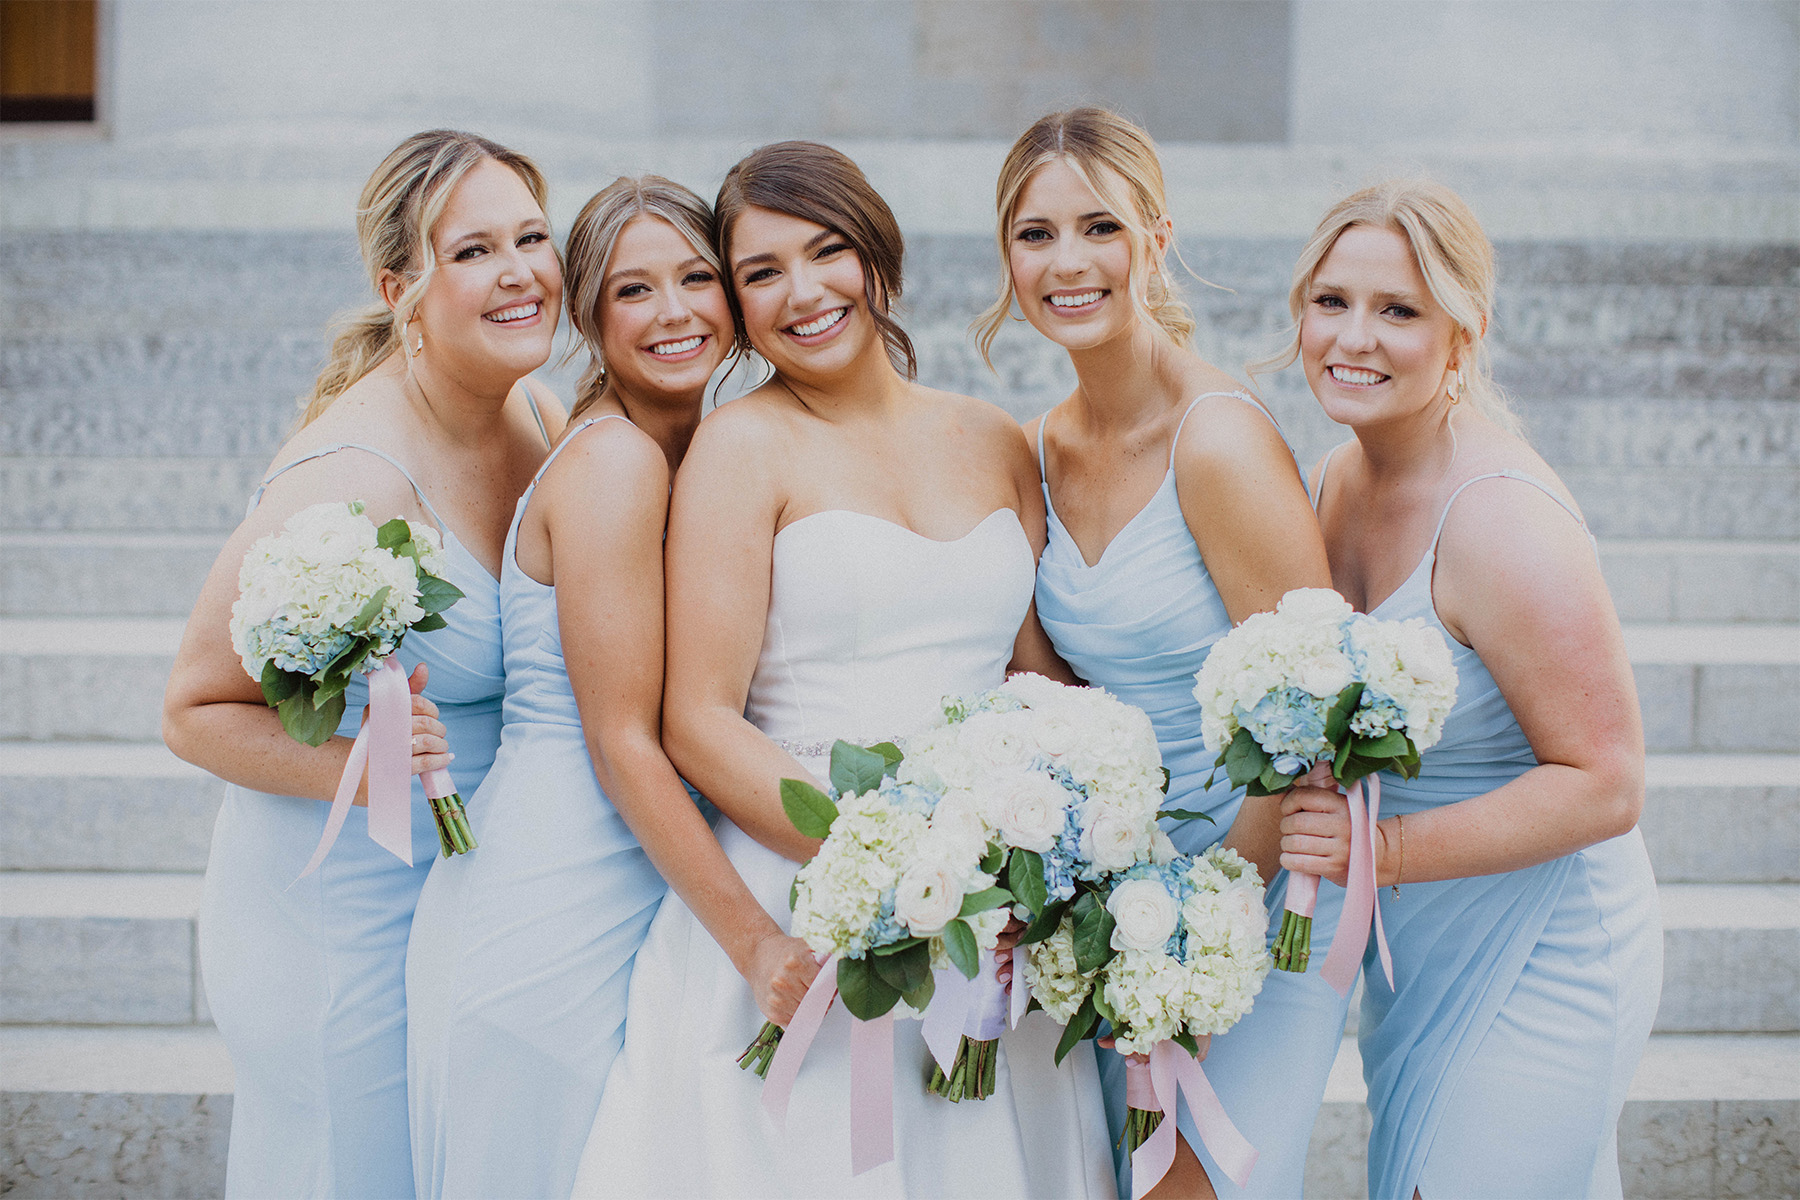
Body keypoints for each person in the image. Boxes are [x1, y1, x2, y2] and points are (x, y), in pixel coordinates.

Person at [573, 141, 1116, 1198]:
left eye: (827, 252)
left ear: (878, 259)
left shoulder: (996, 438)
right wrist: (890, 860)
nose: (803, 291)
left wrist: (1036, 849)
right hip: (816, 884)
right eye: (761, 272)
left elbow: (1035, 679)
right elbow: (697, 720)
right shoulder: (741, 448)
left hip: (994, 907)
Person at [161, 129, 563, 1198]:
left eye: (532, 236)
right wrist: (364, 764)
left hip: (466, 884)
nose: (521, 271)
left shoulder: (530, 406)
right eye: (474, 251)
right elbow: (194, 708)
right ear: (402, 287)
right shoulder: (348, 475)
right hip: (342, 911)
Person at [404, 174, 818, 1198]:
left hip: (638, 884)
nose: (674, 311)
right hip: (557, 896)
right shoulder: (618, 463)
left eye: (696, 278)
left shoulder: (700, 450)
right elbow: (624, 742)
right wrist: (755, 940)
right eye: (635, 291)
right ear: (587, 315)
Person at [1274, 179, 1662, 1199]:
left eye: (1398, 310)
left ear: (1462, 333)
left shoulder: (1501, 519)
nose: (1354, 335)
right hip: (1418, 939)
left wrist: (1379, 851)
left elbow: (1608, 782)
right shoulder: (1328, 482)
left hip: (1545, 939)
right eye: (1332, 301)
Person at [981, 108, 1340, 1199]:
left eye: (1100, 226)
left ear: (1157, 237)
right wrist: (1091, 908)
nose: (1068, 262)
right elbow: (1045, 693)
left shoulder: (1219, 441)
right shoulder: (1037, 447)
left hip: (1257, 896)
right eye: (1036, 235)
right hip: (1111, 903)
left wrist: (1196, 934)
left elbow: (1308, 714)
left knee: (1201, 1184)